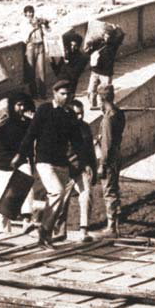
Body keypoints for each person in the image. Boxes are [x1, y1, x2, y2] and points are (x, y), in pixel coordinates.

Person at [16, 80, 83, 248]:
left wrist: (85, 162)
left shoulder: (70, 114)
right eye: (63, 94)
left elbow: (77, 141)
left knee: (59, 201)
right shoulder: (44, 110)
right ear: (55, 94)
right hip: (44, 161)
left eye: (69, 94)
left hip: (62, 163)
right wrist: (20, 154)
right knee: (57, 192)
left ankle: (42, 229)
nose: (66, 97)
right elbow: (31, 134)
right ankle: (44, 232)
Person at [0, 92, 35, 234]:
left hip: (20, 161)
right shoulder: (3, 120)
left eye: (23, 105)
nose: (21, 108)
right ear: (12, 106)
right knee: (5, 198)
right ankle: (3, 230)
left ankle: (27, 219)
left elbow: (29, 144)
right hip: (3, 164)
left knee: (27, 183)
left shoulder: (27, 123)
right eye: (18, 105)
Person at [96, 84, 127, 237]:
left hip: (109, 159)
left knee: (109, 192)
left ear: (101, 98)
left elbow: (106, 144)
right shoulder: (118, 114)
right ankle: (115, 225)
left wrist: (102, 164)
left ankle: (111, 227)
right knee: (114, 189)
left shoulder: (108, 119)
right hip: (116, 155)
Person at [66, 99, 98, 243]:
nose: (80, 117)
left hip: (82, 168)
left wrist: (94, 169)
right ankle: (54, 229)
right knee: (60, 201)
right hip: (66, 169)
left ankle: (84, 229)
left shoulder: (85, 127)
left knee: (86, 196)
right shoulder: (63, 128)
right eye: (76, 114)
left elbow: (90, 150)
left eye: (82, 113)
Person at [84, 23, 125, 109]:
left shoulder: (113, 45)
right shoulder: (98, 43)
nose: (107, 38)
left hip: (106, 73)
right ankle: (93, 105)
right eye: (106, 36)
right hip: (95, 71)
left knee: (104, 93)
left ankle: (102, 107)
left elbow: (121, 35)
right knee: (91, 90)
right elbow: (88, 52)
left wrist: (116, 27)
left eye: (109, 36)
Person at [23, 5, 50, 99]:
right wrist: (34, 27)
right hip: (31, 47)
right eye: (28, 12)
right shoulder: (24, 24)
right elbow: (25, 38)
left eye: (31, 12)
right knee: (31, 71)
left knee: (42, 71)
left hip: (40, 46)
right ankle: (34, 94)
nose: (30, 14)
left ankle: (43, 93)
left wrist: (45, 24)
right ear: (25, 14)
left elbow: (48, 31)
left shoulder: (38, 21)